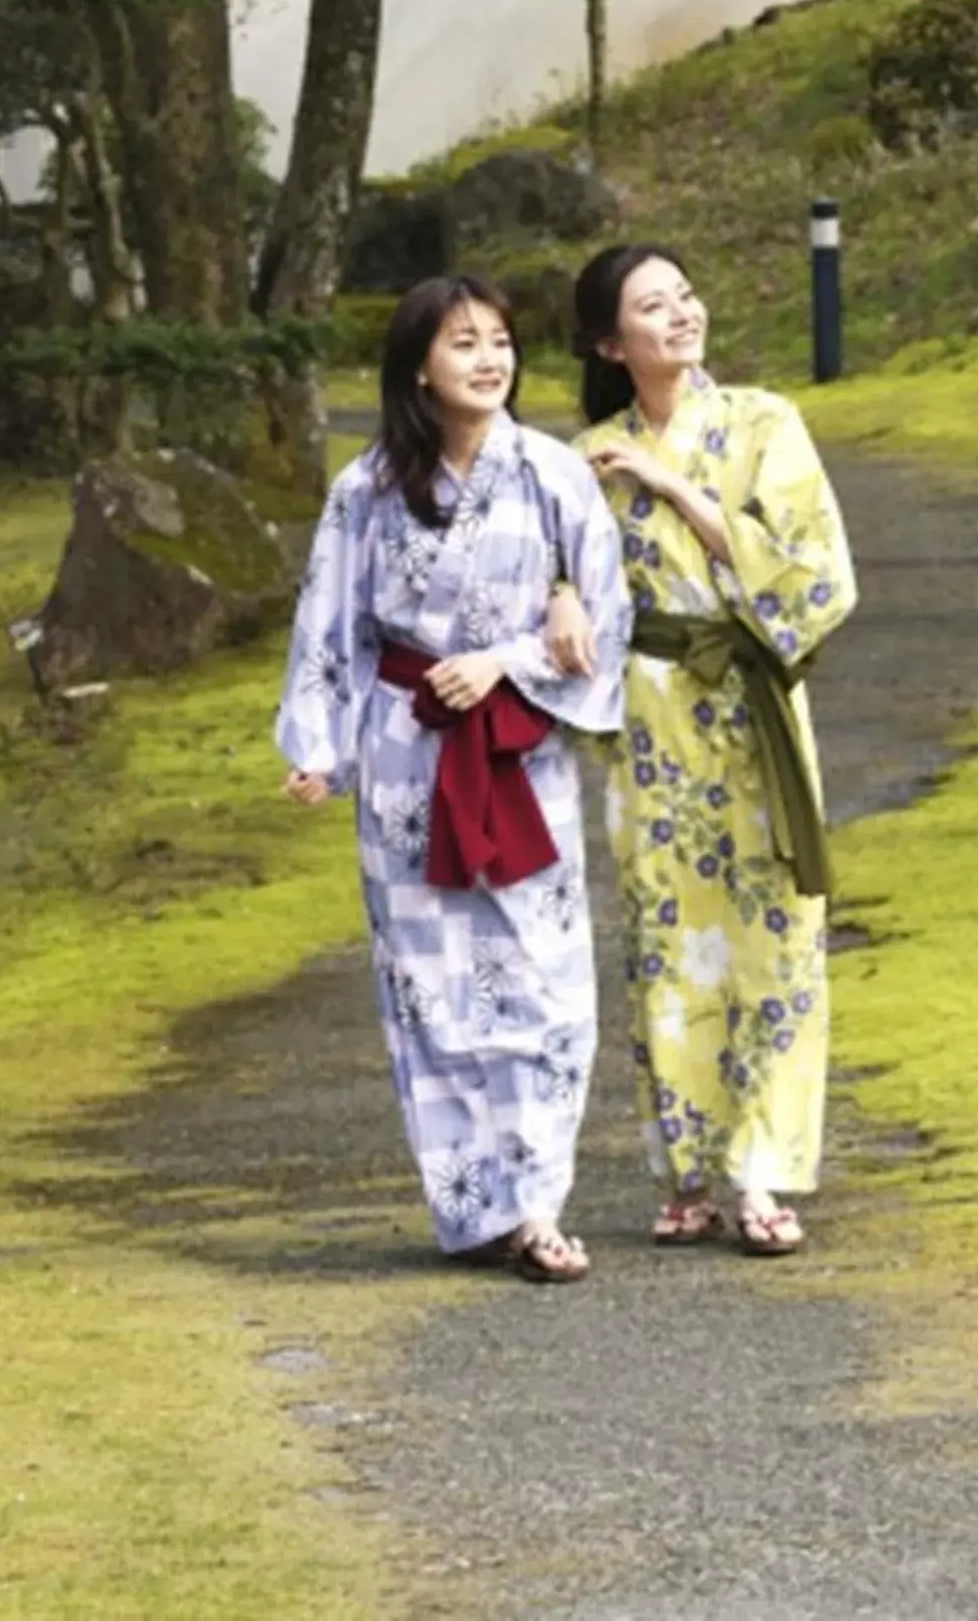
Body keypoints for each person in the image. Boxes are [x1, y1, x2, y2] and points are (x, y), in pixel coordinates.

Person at [277, 274, 633, 1283]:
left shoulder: (552, 476)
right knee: (431, 990)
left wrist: (515, 656)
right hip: (406, 756)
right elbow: (329, 626)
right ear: (419, 368)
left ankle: (538, 1200)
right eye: (463, 343)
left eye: (500, 341)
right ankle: (479, 1207)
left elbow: (605, 620)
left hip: (516, 755)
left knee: (545, 981)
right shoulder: (368, 490)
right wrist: (317, 746)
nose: (489, 358)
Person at [568, 244, 858, 1257]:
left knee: (775, 932)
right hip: (653, 720)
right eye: (654, 306)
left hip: (750, 702)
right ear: (613, 342)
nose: (682, 315)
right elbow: (564, 581)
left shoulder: (765, 423)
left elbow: (818, 573)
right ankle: (685, 1167)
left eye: (687, 293)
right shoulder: (589, 455)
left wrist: (680, 491)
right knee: (667, 934)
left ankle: (763, 1172)